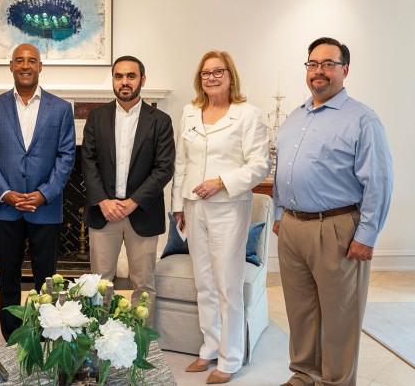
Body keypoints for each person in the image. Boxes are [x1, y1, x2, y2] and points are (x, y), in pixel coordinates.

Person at [274, 37, 393, 386]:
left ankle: (336, 382)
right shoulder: (295, 117)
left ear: (345, 69)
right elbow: (283, 169)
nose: (319, 72)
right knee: (300, 311)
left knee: (341, 316)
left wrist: (367, 235)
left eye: (328, 64)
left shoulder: (362, 119)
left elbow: (380, 181)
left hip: (338, 228)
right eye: (313, 64)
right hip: (294, 228)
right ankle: (303, 376)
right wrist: (280, 213)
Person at [171, 50, 271, 384]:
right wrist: (178, 206)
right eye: (205, 73)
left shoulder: (248, 114)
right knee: (204, 282)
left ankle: (230, 358)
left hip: (229, 206)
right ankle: (209, 347)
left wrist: (221, 182)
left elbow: (259, 165)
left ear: (231, 76)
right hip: (194, 207)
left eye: (219, 72)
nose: (212, 77)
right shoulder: (189, 112)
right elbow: (182, 163)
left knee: (227, 284)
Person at [0, 43, 75, 341]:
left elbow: (67, 155)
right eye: (19, 60)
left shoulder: (60, 108)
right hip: (5, 206)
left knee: (46, 280)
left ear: (40, 66)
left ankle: (45, 336)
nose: (25, 65)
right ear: (10, 66)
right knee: (7, 277)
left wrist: (44, 193)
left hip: (44, 206)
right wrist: (5, 193)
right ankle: (12, 338)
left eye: (31, 60)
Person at [81, 55, 175, 315]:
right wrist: (103, 201)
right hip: (104, 213)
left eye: (131, 76)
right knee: (98, 285)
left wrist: (133, 202)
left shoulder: (160, 121)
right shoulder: (96, 118)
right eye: (119, 76)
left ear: (142, 80)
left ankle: (142, 347)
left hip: (142, 213)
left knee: (144, 285)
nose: (124, 82)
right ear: (113, 80)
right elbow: (88, 162)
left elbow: (164, 168)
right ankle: (99, 346)